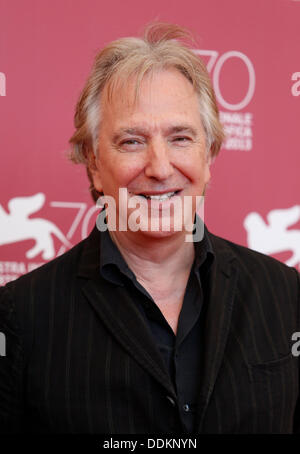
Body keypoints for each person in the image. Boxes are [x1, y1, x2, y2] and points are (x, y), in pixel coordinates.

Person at [0, 22, 299, 435]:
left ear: (208, 155)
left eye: (180, 138)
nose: (160, 168)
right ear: (93, 162)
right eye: (131, 142)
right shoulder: (21, 315)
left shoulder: (284, 294)